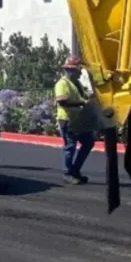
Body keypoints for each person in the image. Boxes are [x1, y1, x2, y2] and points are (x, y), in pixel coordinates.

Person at [54, 56, 95, 185]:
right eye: (77, 70)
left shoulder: (76, 84)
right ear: (70, 70)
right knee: (70, 146)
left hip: (78, 120)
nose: (79, 73)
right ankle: (68, 172)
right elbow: (63, 102)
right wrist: (82, 103)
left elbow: (85, 97)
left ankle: (75, 170)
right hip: (67, 120)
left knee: (88, 142)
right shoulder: (62, 83)